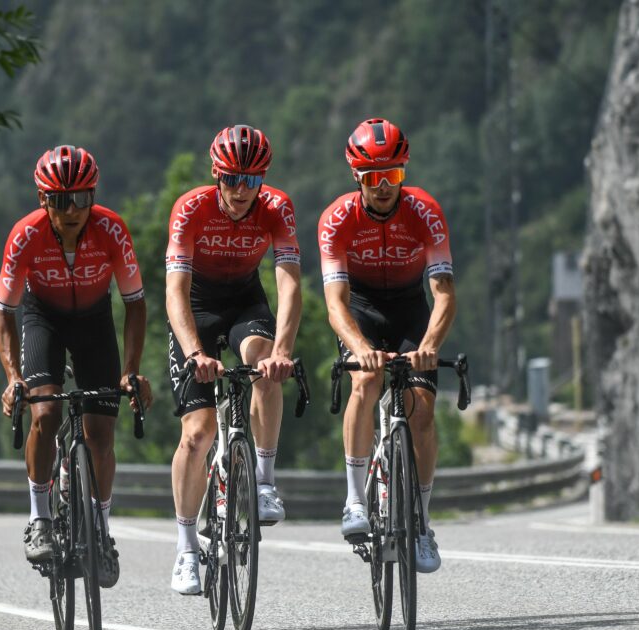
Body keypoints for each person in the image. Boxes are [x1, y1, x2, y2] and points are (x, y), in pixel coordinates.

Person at [0, 145, 152, 589]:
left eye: (82, 198)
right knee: (45, 413)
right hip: (43, 318)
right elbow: (4, 312)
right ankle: (39, 518)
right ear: (43, 200)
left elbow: (135, 304)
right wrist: (13, 378)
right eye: (61, 200)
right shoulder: (25, 235)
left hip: (95, 322)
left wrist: (131, 370)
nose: (73, 210)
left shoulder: (111, 229)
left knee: (101, 433)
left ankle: (100, 530)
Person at [165, 124, 302, 594]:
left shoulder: (276, 207)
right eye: (232, 179)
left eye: (253, 181)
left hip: (245, 301)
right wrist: (194, 353)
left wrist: (283, 351)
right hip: (197, 308)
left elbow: (288, 283)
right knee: (198, 433)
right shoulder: (191, 208)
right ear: (216, 175)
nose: (242, 191)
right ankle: (186, 549)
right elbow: (175, 291)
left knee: (264, 363)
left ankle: (263, 480)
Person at [318, 118, 456, 573]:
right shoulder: (337, 218)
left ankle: (421, 523)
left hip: (408, 309)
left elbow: (443, 294)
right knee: (366, 381)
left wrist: (430, 344)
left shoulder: (425, 212)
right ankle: (356, 499)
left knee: (422, 408)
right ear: (356, 176)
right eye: (374, 178)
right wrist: (358, 348)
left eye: (393, 176)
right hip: (360, 306)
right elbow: (335, 304)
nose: (383, 187)